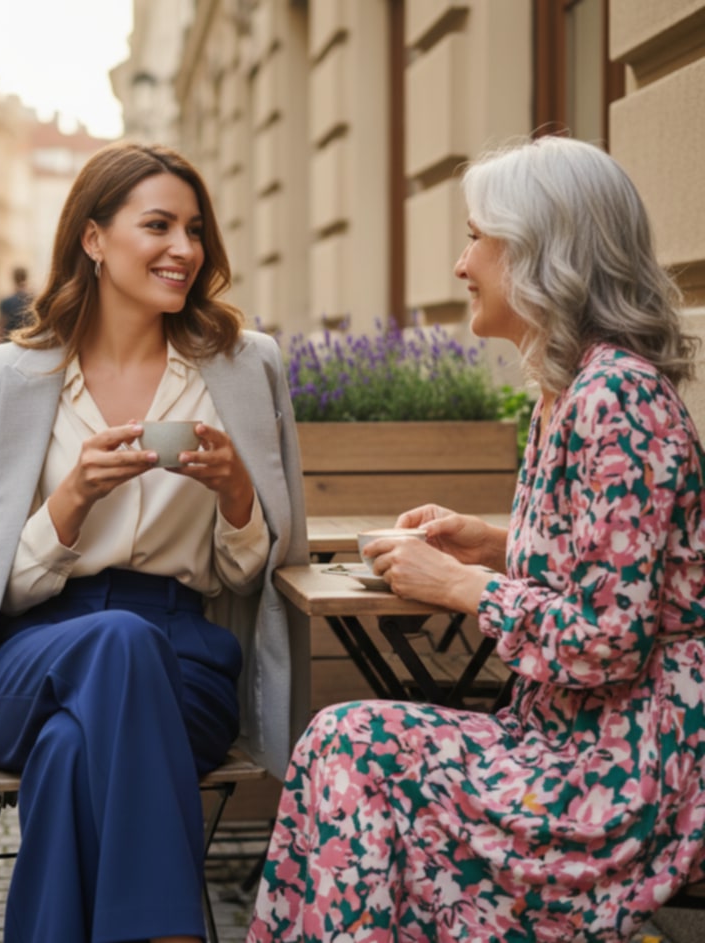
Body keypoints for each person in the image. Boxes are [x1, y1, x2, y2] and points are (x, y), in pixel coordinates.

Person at [248, 135, 705, 942]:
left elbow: (608, 641)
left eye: (476, 238)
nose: (462, 265)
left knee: (355, 748)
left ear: (540, 255)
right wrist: (490, 545)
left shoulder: (619, 400)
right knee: (345, 744)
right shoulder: (567, 392)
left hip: (631, 771)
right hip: (566, 738)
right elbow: (611, 566)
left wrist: (459, 586)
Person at [0, 141, 310, 943]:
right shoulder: (4, 377)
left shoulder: (241, 366)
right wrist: (70, 500)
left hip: (182, 662)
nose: (184, 249)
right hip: (35, 652)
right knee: (111, 643)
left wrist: (234, 495)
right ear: (93, 239)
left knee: (66, 749)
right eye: (158, 224)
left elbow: (249, 571)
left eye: (195, 230)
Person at [0, 265, 35, 343]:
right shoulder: (33, 300)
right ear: (26, 277)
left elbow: (0, 326)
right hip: (29, 342)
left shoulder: (6, 301)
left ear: (13, 279)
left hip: (10, 342)